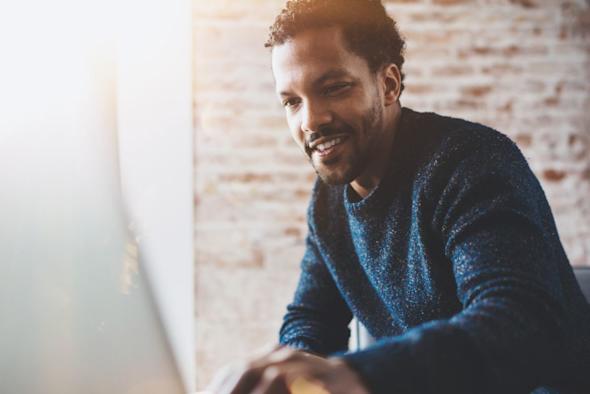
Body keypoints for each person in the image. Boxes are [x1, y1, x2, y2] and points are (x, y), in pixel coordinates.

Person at [207, 0, 590, 393]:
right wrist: (288, 377)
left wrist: (358, 374)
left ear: (388, 84)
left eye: (334, 88)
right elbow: (312, 320)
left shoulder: (470, 163)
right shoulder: (328, 201)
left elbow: (519, 324)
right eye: (292, 101)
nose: (310, 120)